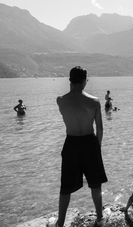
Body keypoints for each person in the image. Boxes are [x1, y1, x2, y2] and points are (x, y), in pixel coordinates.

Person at [51, 66, 108, 227]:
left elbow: (71, 102)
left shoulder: (60, 100)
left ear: (70, 81)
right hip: (90, 143)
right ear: (84, 81)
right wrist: (97, 149)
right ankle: (99, 218)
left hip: (71, 143)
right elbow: (100, 129)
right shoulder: (94, 102)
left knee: (66, 186)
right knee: (95, 184)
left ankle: (60, 222)